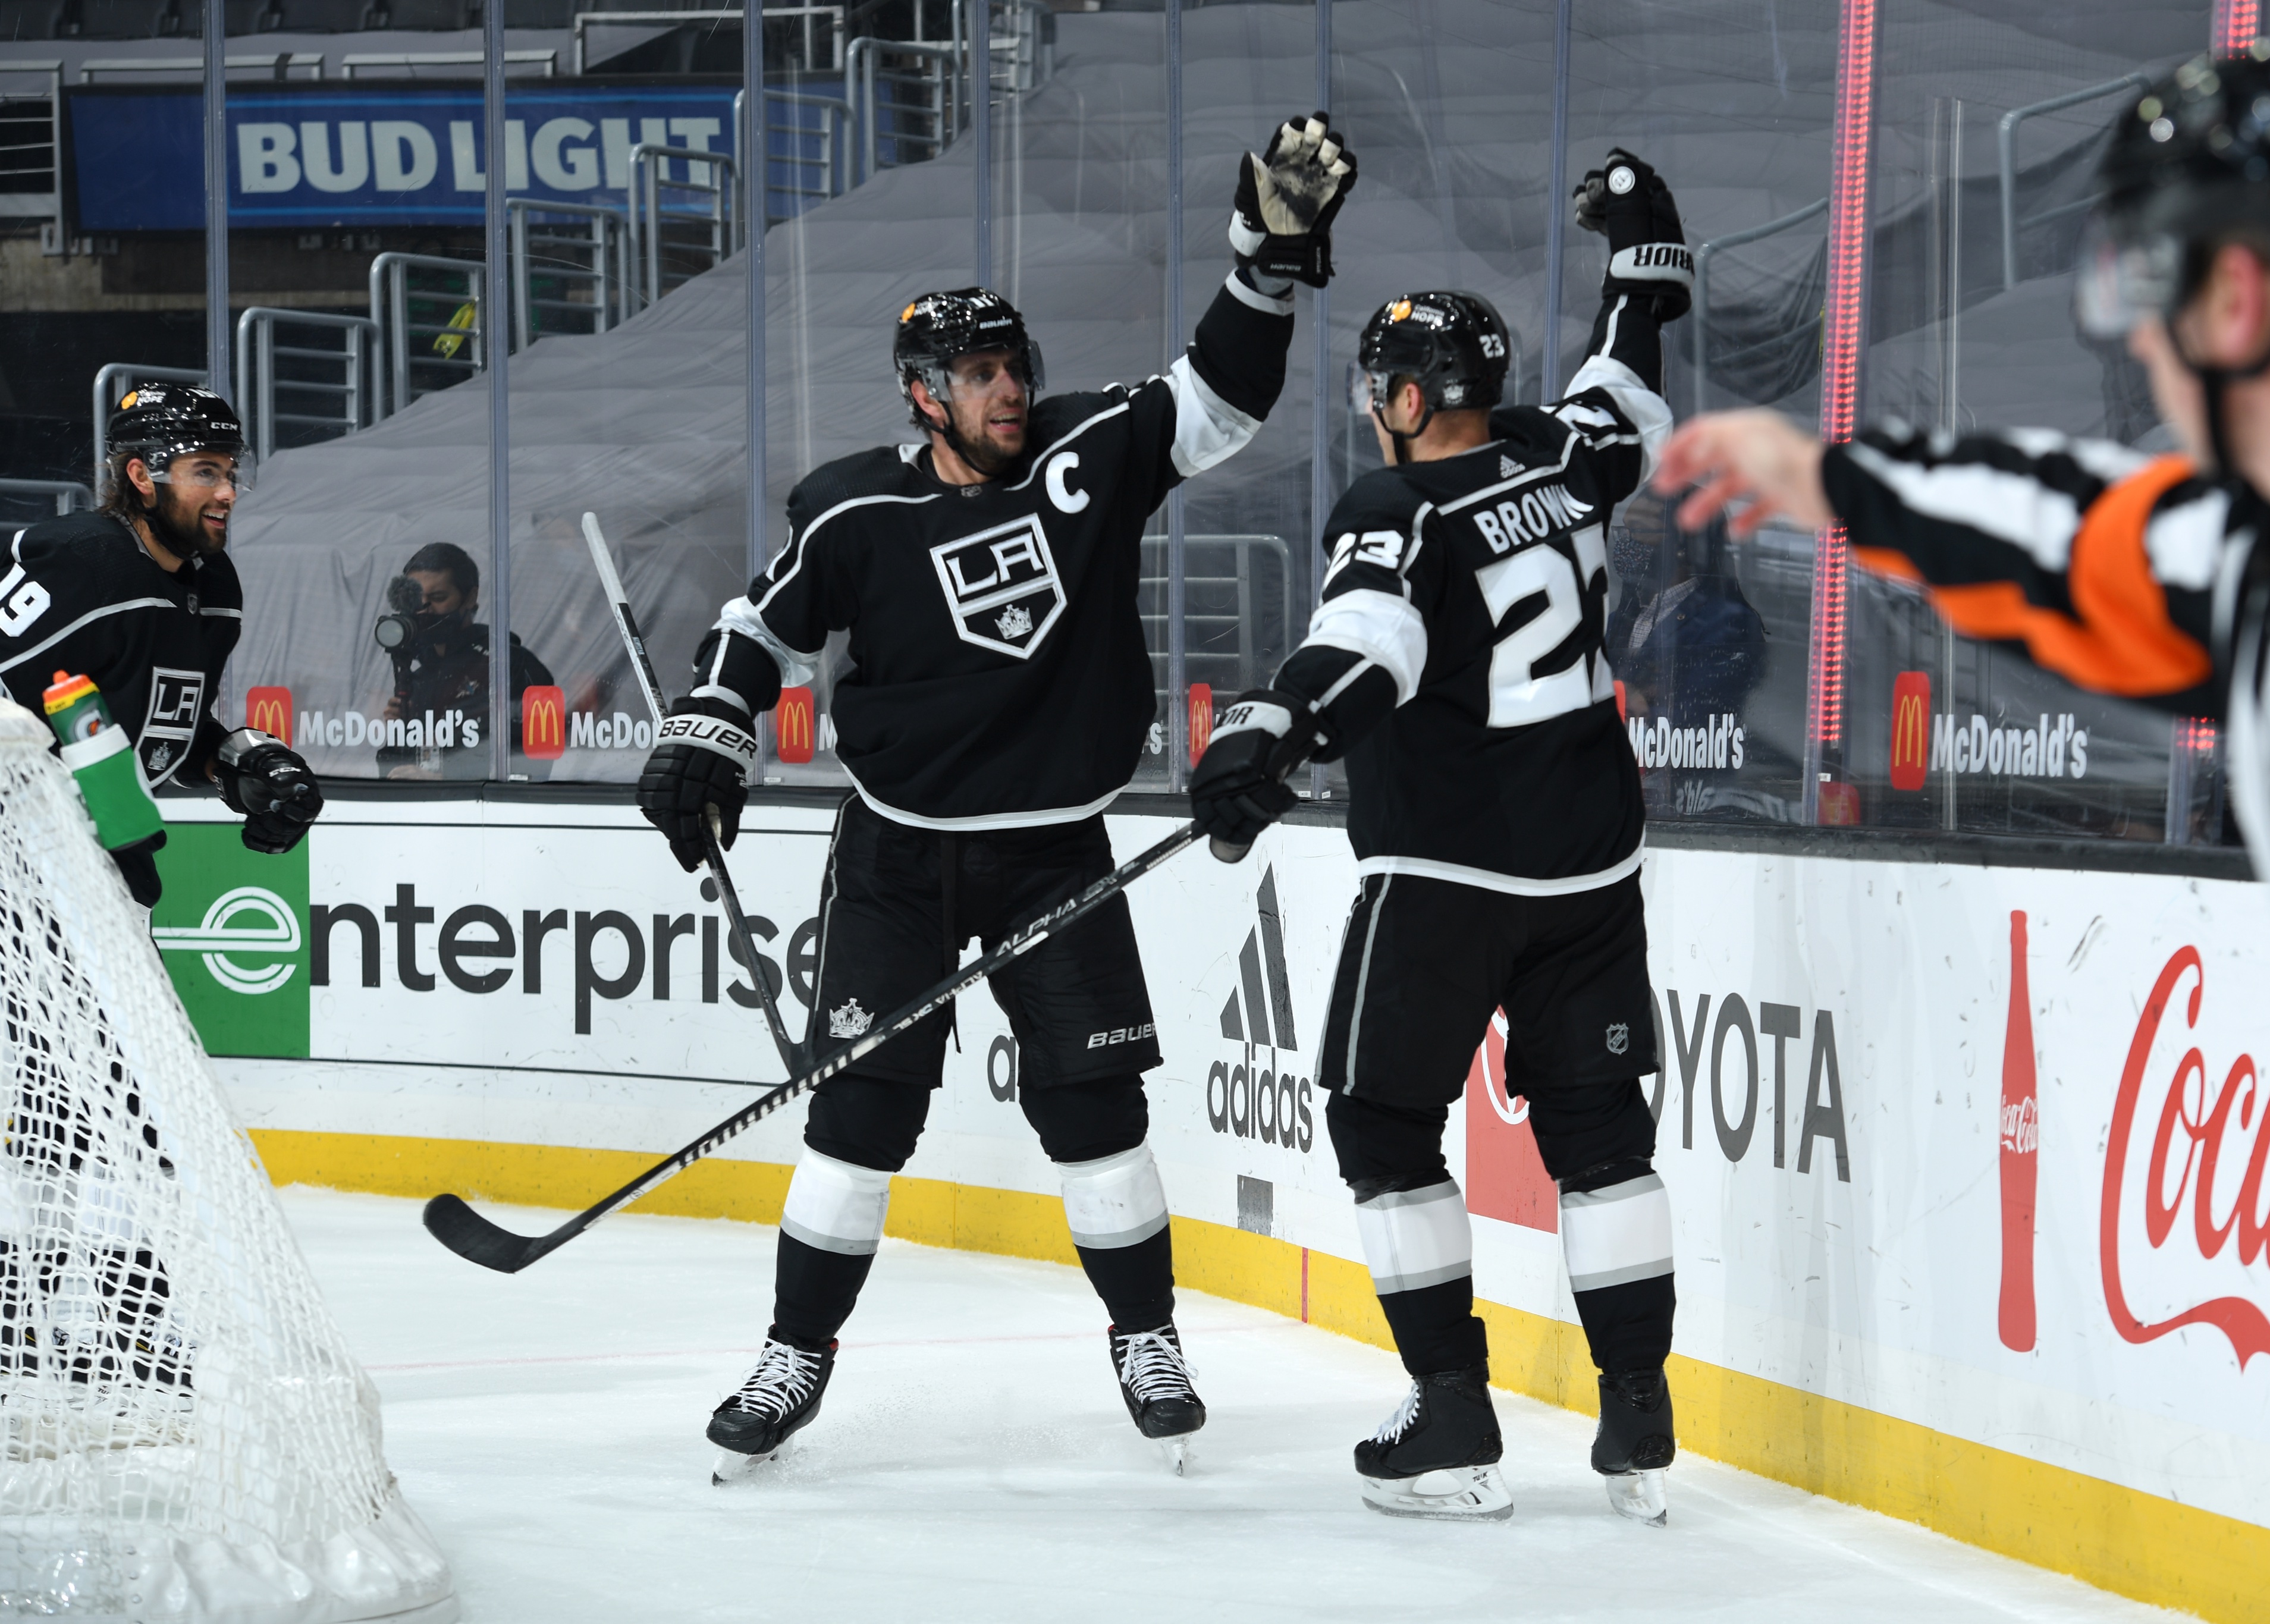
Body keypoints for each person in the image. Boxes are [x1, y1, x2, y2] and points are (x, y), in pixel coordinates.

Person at [1650, 37, 2270, 1612]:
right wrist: (1828, 481)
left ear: (2241, 298)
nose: (2133, 341)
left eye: (2152, 276)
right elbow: (2087, 544)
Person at [638, 114, 1357, 1480]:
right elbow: (761, 628)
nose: (1008, 389)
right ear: (922, 394)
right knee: (858, 1126)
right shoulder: (852, 511)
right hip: (900, 862)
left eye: (1013, 365)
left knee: (1099, 1122)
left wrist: (1266, 263)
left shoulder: (1089, 456)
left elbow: (1219, 400)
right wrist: (705, 731)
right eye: (976, 375)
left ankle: (1146, 1338)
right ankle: (796, 1354)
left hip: (1053, 856)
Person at [1189, 146, 1689, 1524]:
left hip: (1448, 872)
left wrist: (1265, 734)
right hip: (1591, 868)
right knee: (1601, 1133)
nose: (1374, 411)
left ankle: (1455, 1417)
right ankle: (1637, 1413)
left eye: (1382, 390)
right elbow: (1628, 387)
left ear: (1410, 401)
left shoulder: (1393, 507)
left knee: (1379, 1118)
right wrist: (1642, 250)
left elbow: (1368, 639)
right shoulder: (1561, 459)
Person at [0, 383, 321, 904]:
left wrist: (240, 765)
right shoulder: (85, 566)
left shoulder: (214, 588)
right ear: (141, 477)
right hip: (23, 868)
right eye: (206, 472)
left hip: (102, 873)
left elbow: (168, 726)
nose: (228, 492)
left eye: (231, 472)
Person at [373, 541, 554, 779]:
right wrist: (399, 729)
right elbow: (396, 771)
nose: (425, 609)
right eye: (415, 599)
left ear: (470, 598)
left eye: (438, 597)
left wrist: (447, 780)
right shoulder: (417, 678)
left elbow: (538, 764)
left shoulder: (513, 665)